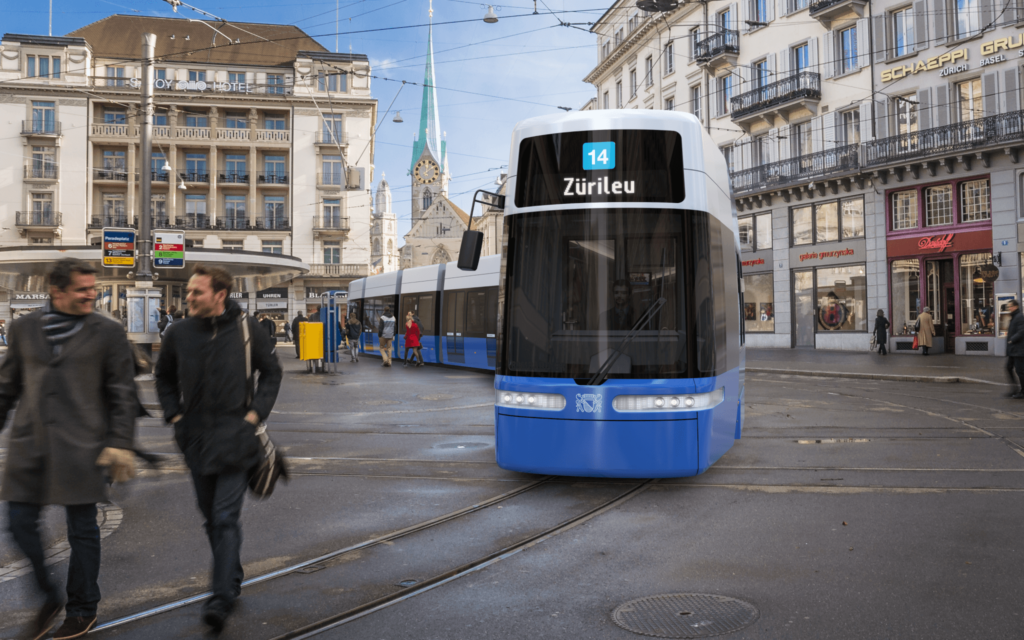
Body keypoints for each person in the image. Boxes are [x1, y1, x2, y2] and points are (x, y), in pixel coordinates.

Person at [0, 258, 138, 640]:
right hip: (30, 446)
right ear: (56, 291)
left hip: (84, 447)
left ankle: (82, 609)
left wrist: (120, 443)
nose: (90, 295)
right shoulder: (23, 328)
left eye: (92, 288)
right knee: (19, 525)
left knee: (82, 530)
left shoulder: (108, 332)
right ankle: (48, 597)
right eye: (82, 289)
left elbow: (123, 394)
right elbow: (7, 388)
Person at [154, 264, 282, 633]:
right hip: (194, 439)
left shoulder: (247, 329)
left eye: (197, 292)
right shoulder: (178, 332)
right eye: (189, 292)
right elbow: (163, 376)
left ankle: (220, 597)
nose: (189, 298)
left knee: (225, 517)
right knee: (210, 516)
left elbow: (271, 372)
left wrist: (255, 415)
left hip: (237, 439)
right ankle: (233, 572)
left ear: (219, 295)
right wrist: (174, 416)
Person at [1006, 300, 1024, 398]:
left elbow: (1022, 331)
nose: (1009, 308)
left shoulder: (1019, 316)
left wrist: (1012, 339)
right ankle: (1015, 389)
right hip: (1013, 350)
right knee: (1008, 368)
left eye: (1010, 307)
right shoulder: (1014, 317)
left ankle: (1023, 391)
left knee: (1020, 371)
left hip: (1019, 350)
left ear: (1015, 306)